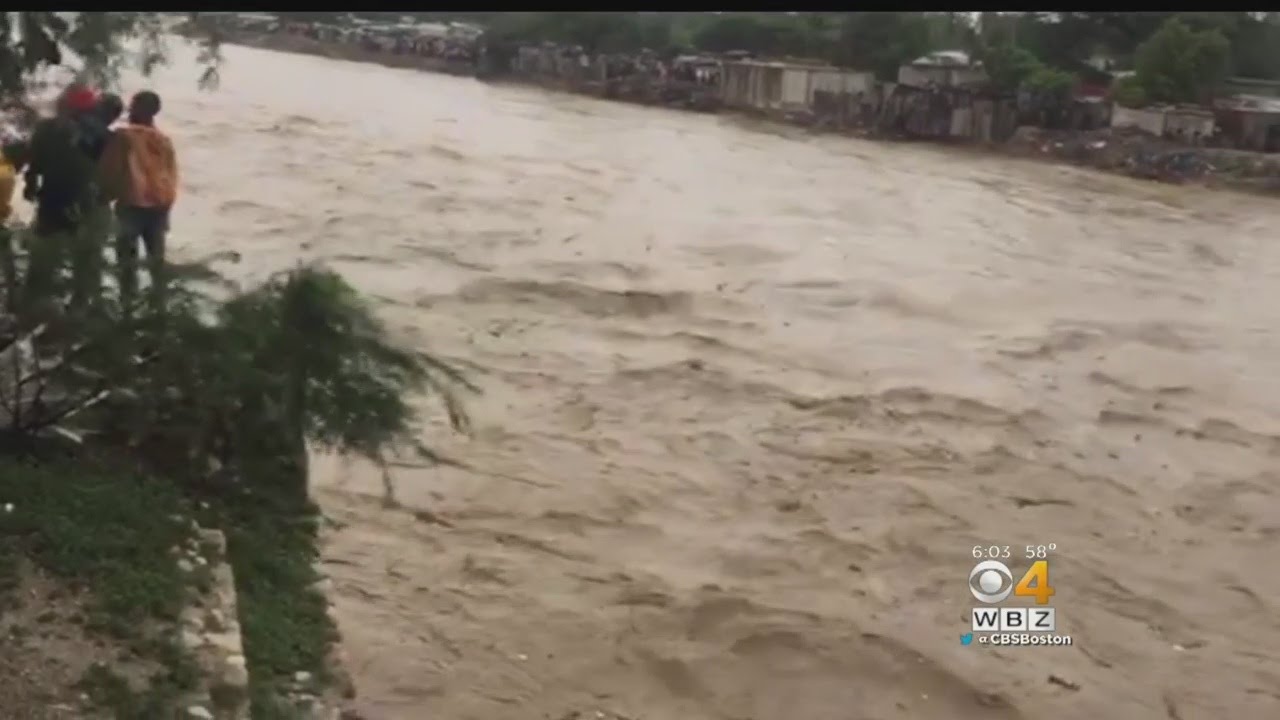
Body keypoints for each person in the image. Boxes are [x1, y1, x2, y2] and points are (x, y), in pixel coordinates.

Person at [22, 84, 104, 307]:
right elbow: (103, 170)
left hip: (52, 197)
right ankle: (82, 306)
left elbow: (34, 162)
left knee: (43, 256)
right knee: (84, 260)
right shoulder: (98, 133)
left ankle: (34, 302)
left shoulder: (46, 128)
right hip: (82, 200)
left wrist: (29, 186)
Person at [98, 90, 178, 308]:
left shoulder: (123, 137)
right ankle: (159, 310)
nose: (129, 110)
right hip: (160, 207)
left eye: (133, 105)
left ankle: (127, 310)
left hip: (132, 205)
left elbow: (110, 170)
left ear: (141, 109)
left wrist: (103, 196)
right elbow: (172, 176)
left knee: (126, 264)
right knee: (156, 264)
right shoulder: (164, 140)